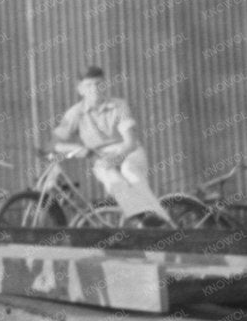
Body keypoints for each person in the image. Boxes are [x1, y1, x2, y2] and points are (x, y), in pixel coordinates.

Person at [51, 66, 164, 220]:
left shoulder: (119, 106)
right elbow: (55, 142)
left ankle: (156, 216)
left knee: (129, 170)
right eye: (89, 85)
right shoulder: (75, 113)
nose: (95, 89)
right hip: (100, 157)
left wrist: (114, 158)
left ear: (105, 85)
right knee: (110, 176)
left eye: (99, 84)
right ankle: (140, 215)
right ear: (80, 89)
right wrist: (76, 149)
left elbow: (130, 142)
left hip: (129, 151)